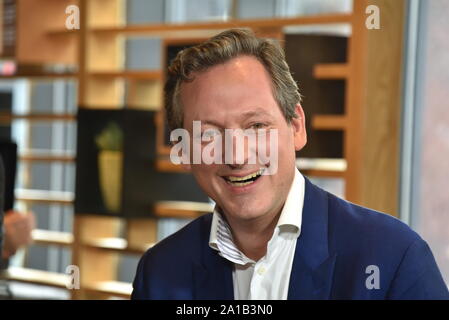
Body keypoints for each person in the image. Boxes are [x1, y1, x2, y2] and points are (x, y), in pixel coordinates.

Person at [131, 29, 449, 300]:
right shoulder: (159, 272)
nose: (237, 156)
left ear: (296, 126)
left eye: (256, 126)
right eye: (209, 135)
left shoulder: (392, 258)